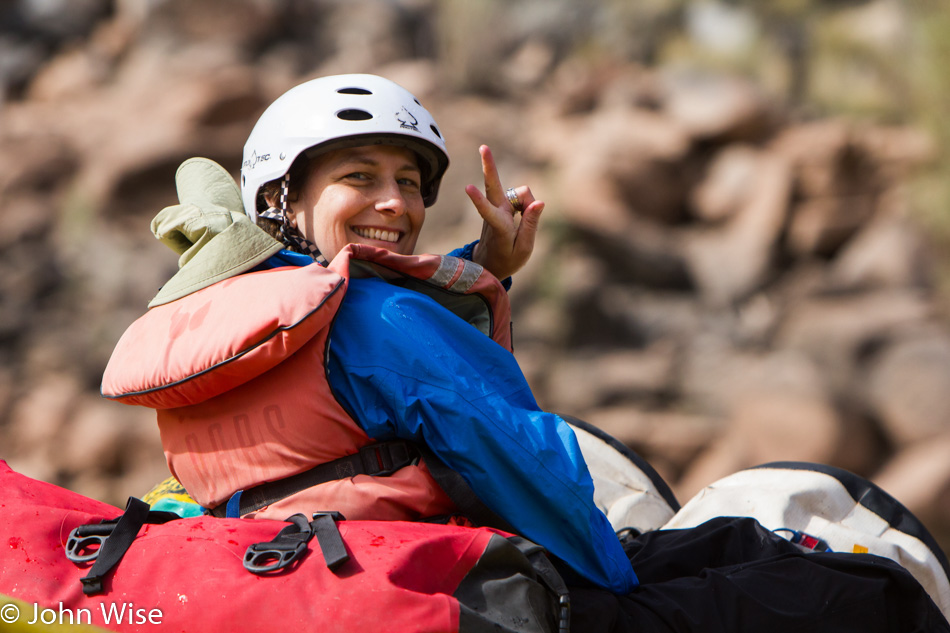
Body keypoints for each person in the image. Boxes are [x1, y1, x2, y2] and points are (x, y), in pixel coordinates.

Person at [102, 74, 949, 632]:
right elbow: (527, 465)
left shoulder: (225, 309)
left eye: (407, 182)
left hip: (314, 581)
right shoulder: (380, 318)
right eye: (359, 177)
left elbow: (346, 408)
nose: (393, 203)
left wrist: (483, 269)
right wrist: (623, 590)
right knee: (855, 593)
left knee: (725, 542)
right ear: (284, 198)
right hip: (434, 592)